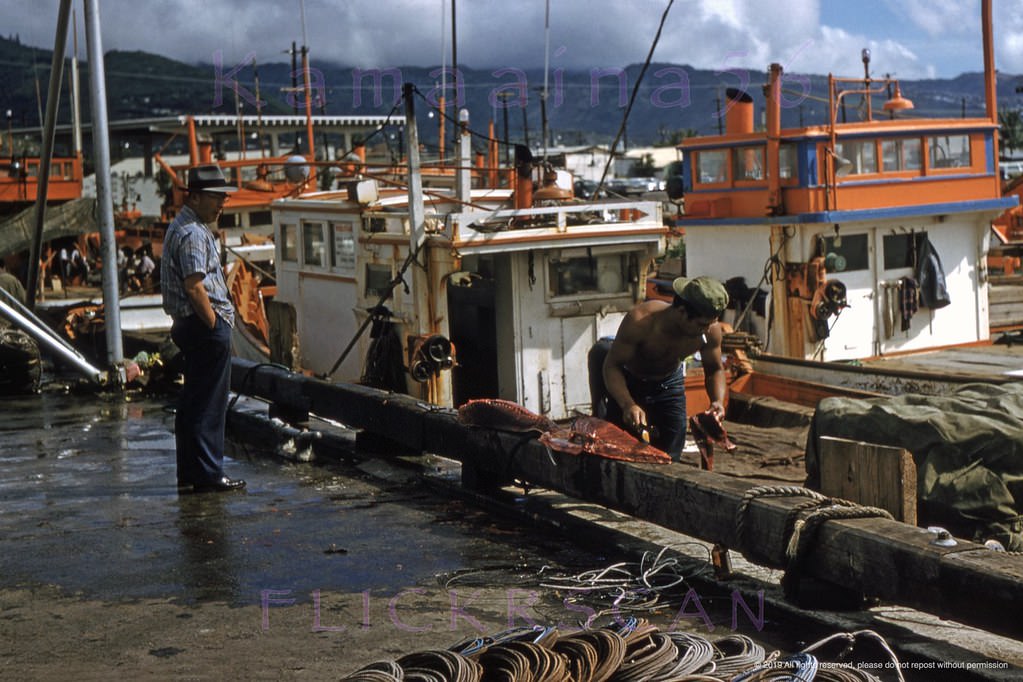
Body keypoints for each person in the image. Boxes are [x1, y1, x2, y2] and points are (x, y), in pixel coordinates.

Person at [161, 164, 245, 494]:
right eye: (216, 197)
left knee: (194, 402)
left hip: (189, 325)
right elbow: (195, 285)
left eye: (223, 196)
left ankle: (192, 473)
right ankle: (209, 473)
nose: (222, 202)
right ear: (195, 198)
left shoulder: (182, 226)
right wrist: (214, 323)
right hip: (203, 326)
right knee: (210, 403)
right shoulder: (194, 232)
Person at [592, 276, 729, 461]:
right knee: (615, 448)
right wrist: (628, 404)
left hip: (669, 382)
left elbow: (714, 369)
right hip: (630, 381)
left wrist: (717, 402)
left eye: (711, 323)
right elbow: (612, 366)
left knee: (670, 456)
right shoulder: (642, 321)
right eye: (701, 324)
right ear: (682, 311)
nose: (707, 329)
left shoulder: (710, 330)